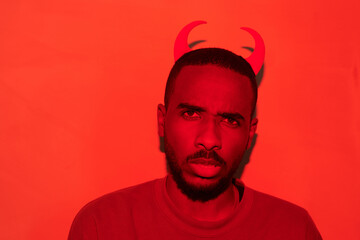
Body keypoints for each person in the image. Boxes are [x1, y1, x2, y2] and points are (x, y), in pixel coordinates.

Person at [68, 48, 322, 239]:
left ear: (250, 134)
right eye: (191, 114)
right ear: (162, 121)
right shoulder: (102, 225)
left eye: (230, 120)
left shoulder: (294, 229)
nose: (209, 140)